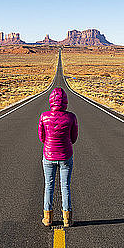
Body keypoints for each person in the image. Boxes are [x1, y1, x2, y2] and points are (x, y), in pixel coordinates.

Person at [38, 87, 78, 227]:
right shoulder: (71, 117)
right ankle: (67, 218)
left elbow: (41, 137)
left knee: (49, 185)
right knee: (65, 186)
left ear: (51, 101)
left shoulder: (44, 116)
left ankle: (47, 217)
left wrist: (49, 144)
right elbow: (74, 138)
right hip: (66, 155)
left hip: (48, 155)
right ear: (65, 101)